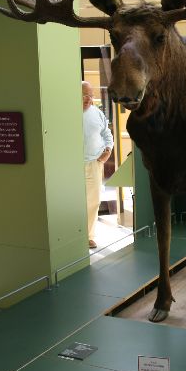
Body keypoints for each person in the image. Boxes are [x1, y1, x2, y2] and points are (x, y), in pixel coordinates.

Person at [82, 80, 114, 249]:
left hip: (94, 163)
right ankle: (72, 234)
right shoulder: (66, 112)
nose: (89, 99)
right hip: (70, 165)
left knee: (93, 201)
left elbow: (107, 134)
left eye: (91, 95)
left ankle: (88, 236)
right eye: (84, 95)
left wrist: (108, 149)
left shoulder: (97, 113)